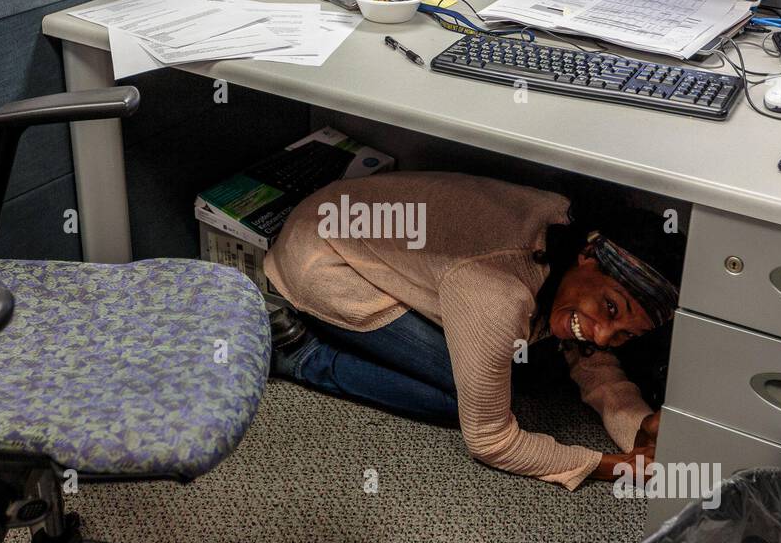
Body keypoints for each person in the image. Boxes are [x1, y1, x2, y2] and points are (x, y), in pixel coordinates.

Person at [264, 171, 681, 490]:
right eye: (611, 308)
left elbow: (587, 354)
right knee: (462, 399)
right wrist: (609, 466)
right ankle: (300, 355)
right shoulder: (498, 293)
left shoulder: (569, 240)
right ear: (589, 255)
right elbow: (489, 440)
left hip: (351, 216)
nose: (605, 336)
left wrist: (638, 425)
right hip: (322, 257)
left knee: (514, 363)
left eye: (625, 334)